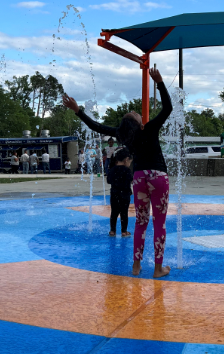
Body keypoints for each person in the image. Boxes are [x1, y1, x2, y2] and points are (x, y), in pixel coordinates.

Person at [63, 67, 172, 278]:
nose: (137, 112)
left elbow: (98, 127)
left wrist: (78, 111)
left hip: (140, 178)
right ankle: (158, 269)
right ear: (139, 124)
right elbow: (167, 108)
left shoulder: (125, 137)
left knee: (141, 222)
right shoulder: (149, 129)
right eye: (135, 114)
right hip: (158, 178)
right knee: (159, 223)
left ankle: (136, 266)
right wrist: (159, 82)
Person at [107, 147, 133, 237]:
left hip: (114, 194)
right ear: (126, 160)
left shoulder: (112, 169)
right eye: (130, 162)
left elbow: (108, 181)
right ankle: (124, 231)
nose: (129, 164)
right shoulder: (127, 170)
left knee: (114, 212)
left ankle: (112, 230)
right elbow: (131, 180)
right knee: (124, 213)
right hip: (125, 195)